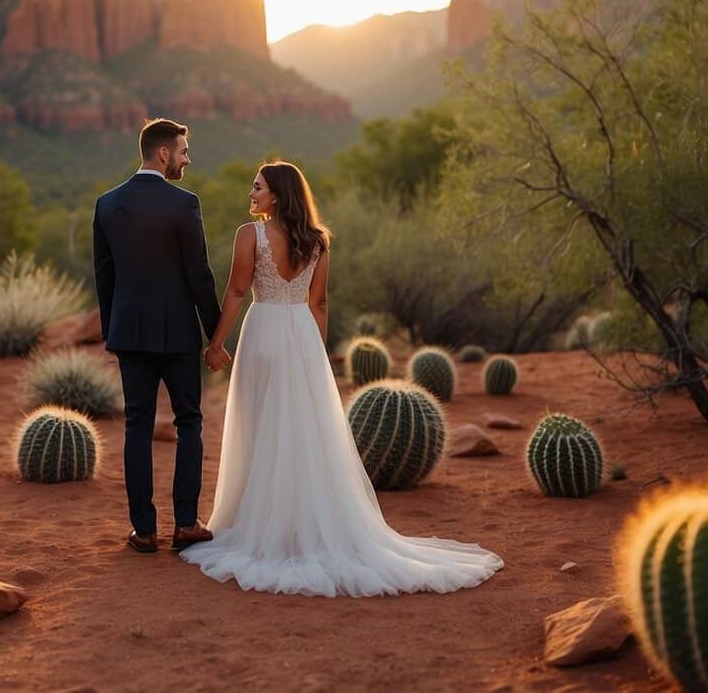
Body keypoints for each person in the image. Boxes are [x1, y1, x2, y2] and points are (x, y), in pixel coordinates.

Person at [180, 160, 504, 596]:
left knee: (261, 427)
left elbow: (237, 292)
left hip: (264, 334)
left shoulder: (249, 235)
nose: (251, 194)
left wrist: (216, 344)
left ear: (277, 194)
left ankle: (262, 527)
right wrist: (317, 357)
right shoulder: (317, 241)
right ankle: (300, 524)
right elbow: (320, 304)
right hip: (302, 336)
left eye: (257, 187)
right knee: (301, 433)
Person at [92, 118, 222, 554]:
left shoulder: (107, 204)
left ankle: (143, 530)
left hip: (130, 334)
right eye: (183, 151)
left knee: (136, 427)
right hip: (180, 335)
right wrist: (216, 333)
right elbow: (199, 275)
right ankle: (186, 524)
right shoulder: (184, 203)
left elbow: (104, 277)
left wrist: (114, 332)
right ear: (163, 153)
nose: (187, 159)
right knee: (189, 422)